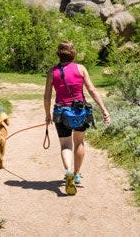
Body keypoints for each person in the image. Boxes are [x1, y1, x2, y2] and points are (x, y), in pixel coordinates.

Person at [44, 41, 111, 195]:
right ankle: (76, 174)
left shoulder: (52, 71)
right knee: (79, 142)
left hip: (61, 112)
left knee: (65, 145)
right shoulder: (80, 69)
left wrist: (48, 115)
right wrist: (104, 110)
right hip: (80, 111)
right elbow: (92, 90)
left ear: (58, 53)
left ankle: (68, 171)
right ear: (73, 53)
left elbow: (47, 96)